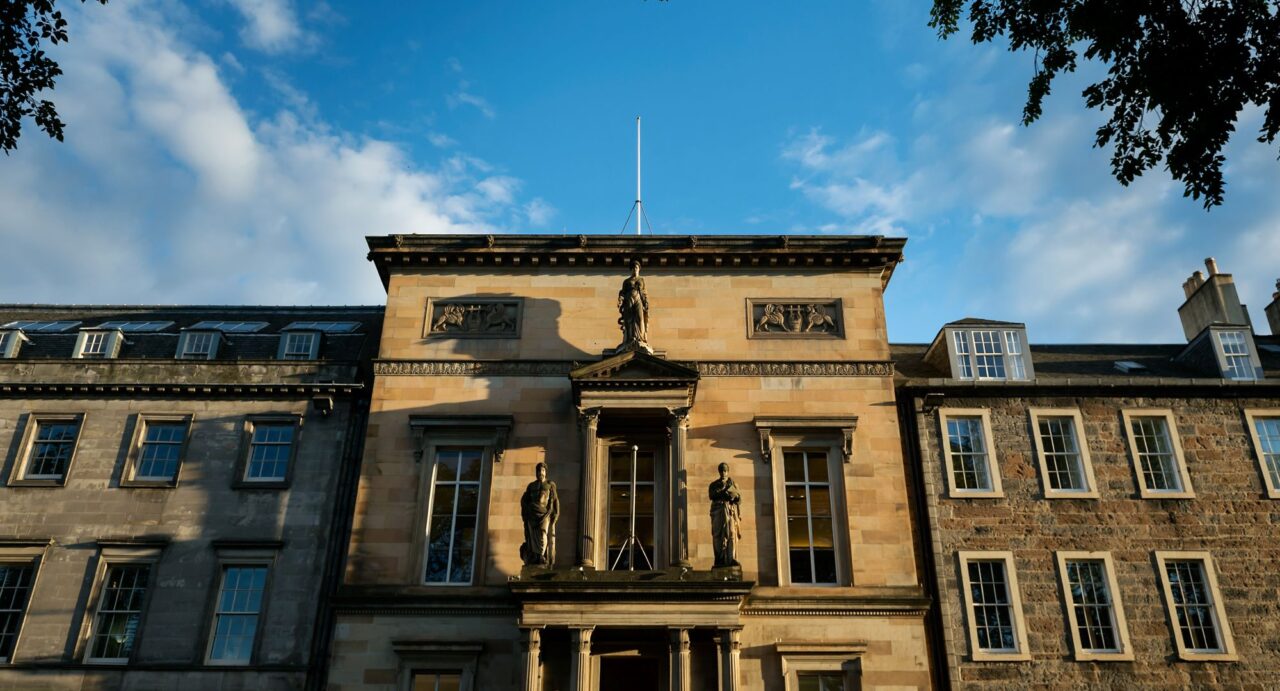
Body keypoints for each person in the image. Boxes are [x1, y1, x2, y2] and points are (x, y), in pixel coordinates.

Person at [520, 463, 559, 566]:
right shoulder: (531, 486)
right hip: (532, 513)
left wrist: (556, 513)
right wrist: (526, 510)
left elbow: (555, 500)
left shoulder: (550, 485)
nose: (540, 473)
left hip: (544, 514)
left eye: (542, 471)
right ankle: (535, 556)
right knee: (532, 536)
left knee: (543, 533)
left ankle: (541, 555)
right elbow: (524, 499)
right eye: (538, 471)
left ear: (545, 472)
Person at [708, 462, 741, 567]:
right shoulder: (714, 485)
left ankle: (731, 558)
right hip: (718, 510)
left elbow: (739, 499)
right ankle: (719, 558)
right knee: (717, 534)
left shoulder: (733, 484)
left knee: (731, 533)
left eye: (725, 470)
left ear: (728, 471)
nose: (723, 472)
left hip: (729, 510)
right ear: (719, 471)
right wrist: (723, 492)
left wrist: (734, 496)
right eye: (721, 470)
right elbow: (711, 495)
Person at [617, 260, 651, 352]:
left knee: (639, 318)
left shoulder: (641, 280)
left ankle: (640, 338)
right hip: (629, 299)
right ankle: (630, 338)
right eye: (634, 268)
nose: (635, 269)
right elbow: (622, 293)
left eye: (637, 268)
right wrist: (620, 300)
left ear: (639, 269)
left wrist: (646, 301)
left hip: (638, 298)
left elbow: (644, 292)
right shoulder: (627, 281)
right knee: (629, 319)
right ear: (631, 269)